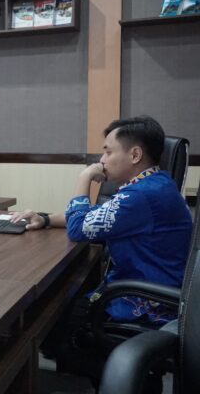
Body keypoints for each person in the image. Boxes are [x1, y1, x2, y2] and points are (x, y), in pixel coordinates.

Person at [10, 115, 192, 389]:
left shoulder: (141, 196)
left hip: (145, 303)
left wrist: (84, 178)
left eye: (108, 151)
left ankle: (124, 380)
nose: (102, 159)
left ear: (134, 155)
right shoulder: (155, 184)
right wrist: (45, 218)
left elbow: (78, 229)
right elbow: (98, 215)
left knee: (51, 321)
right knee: (58, 303)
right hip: (151, 287)